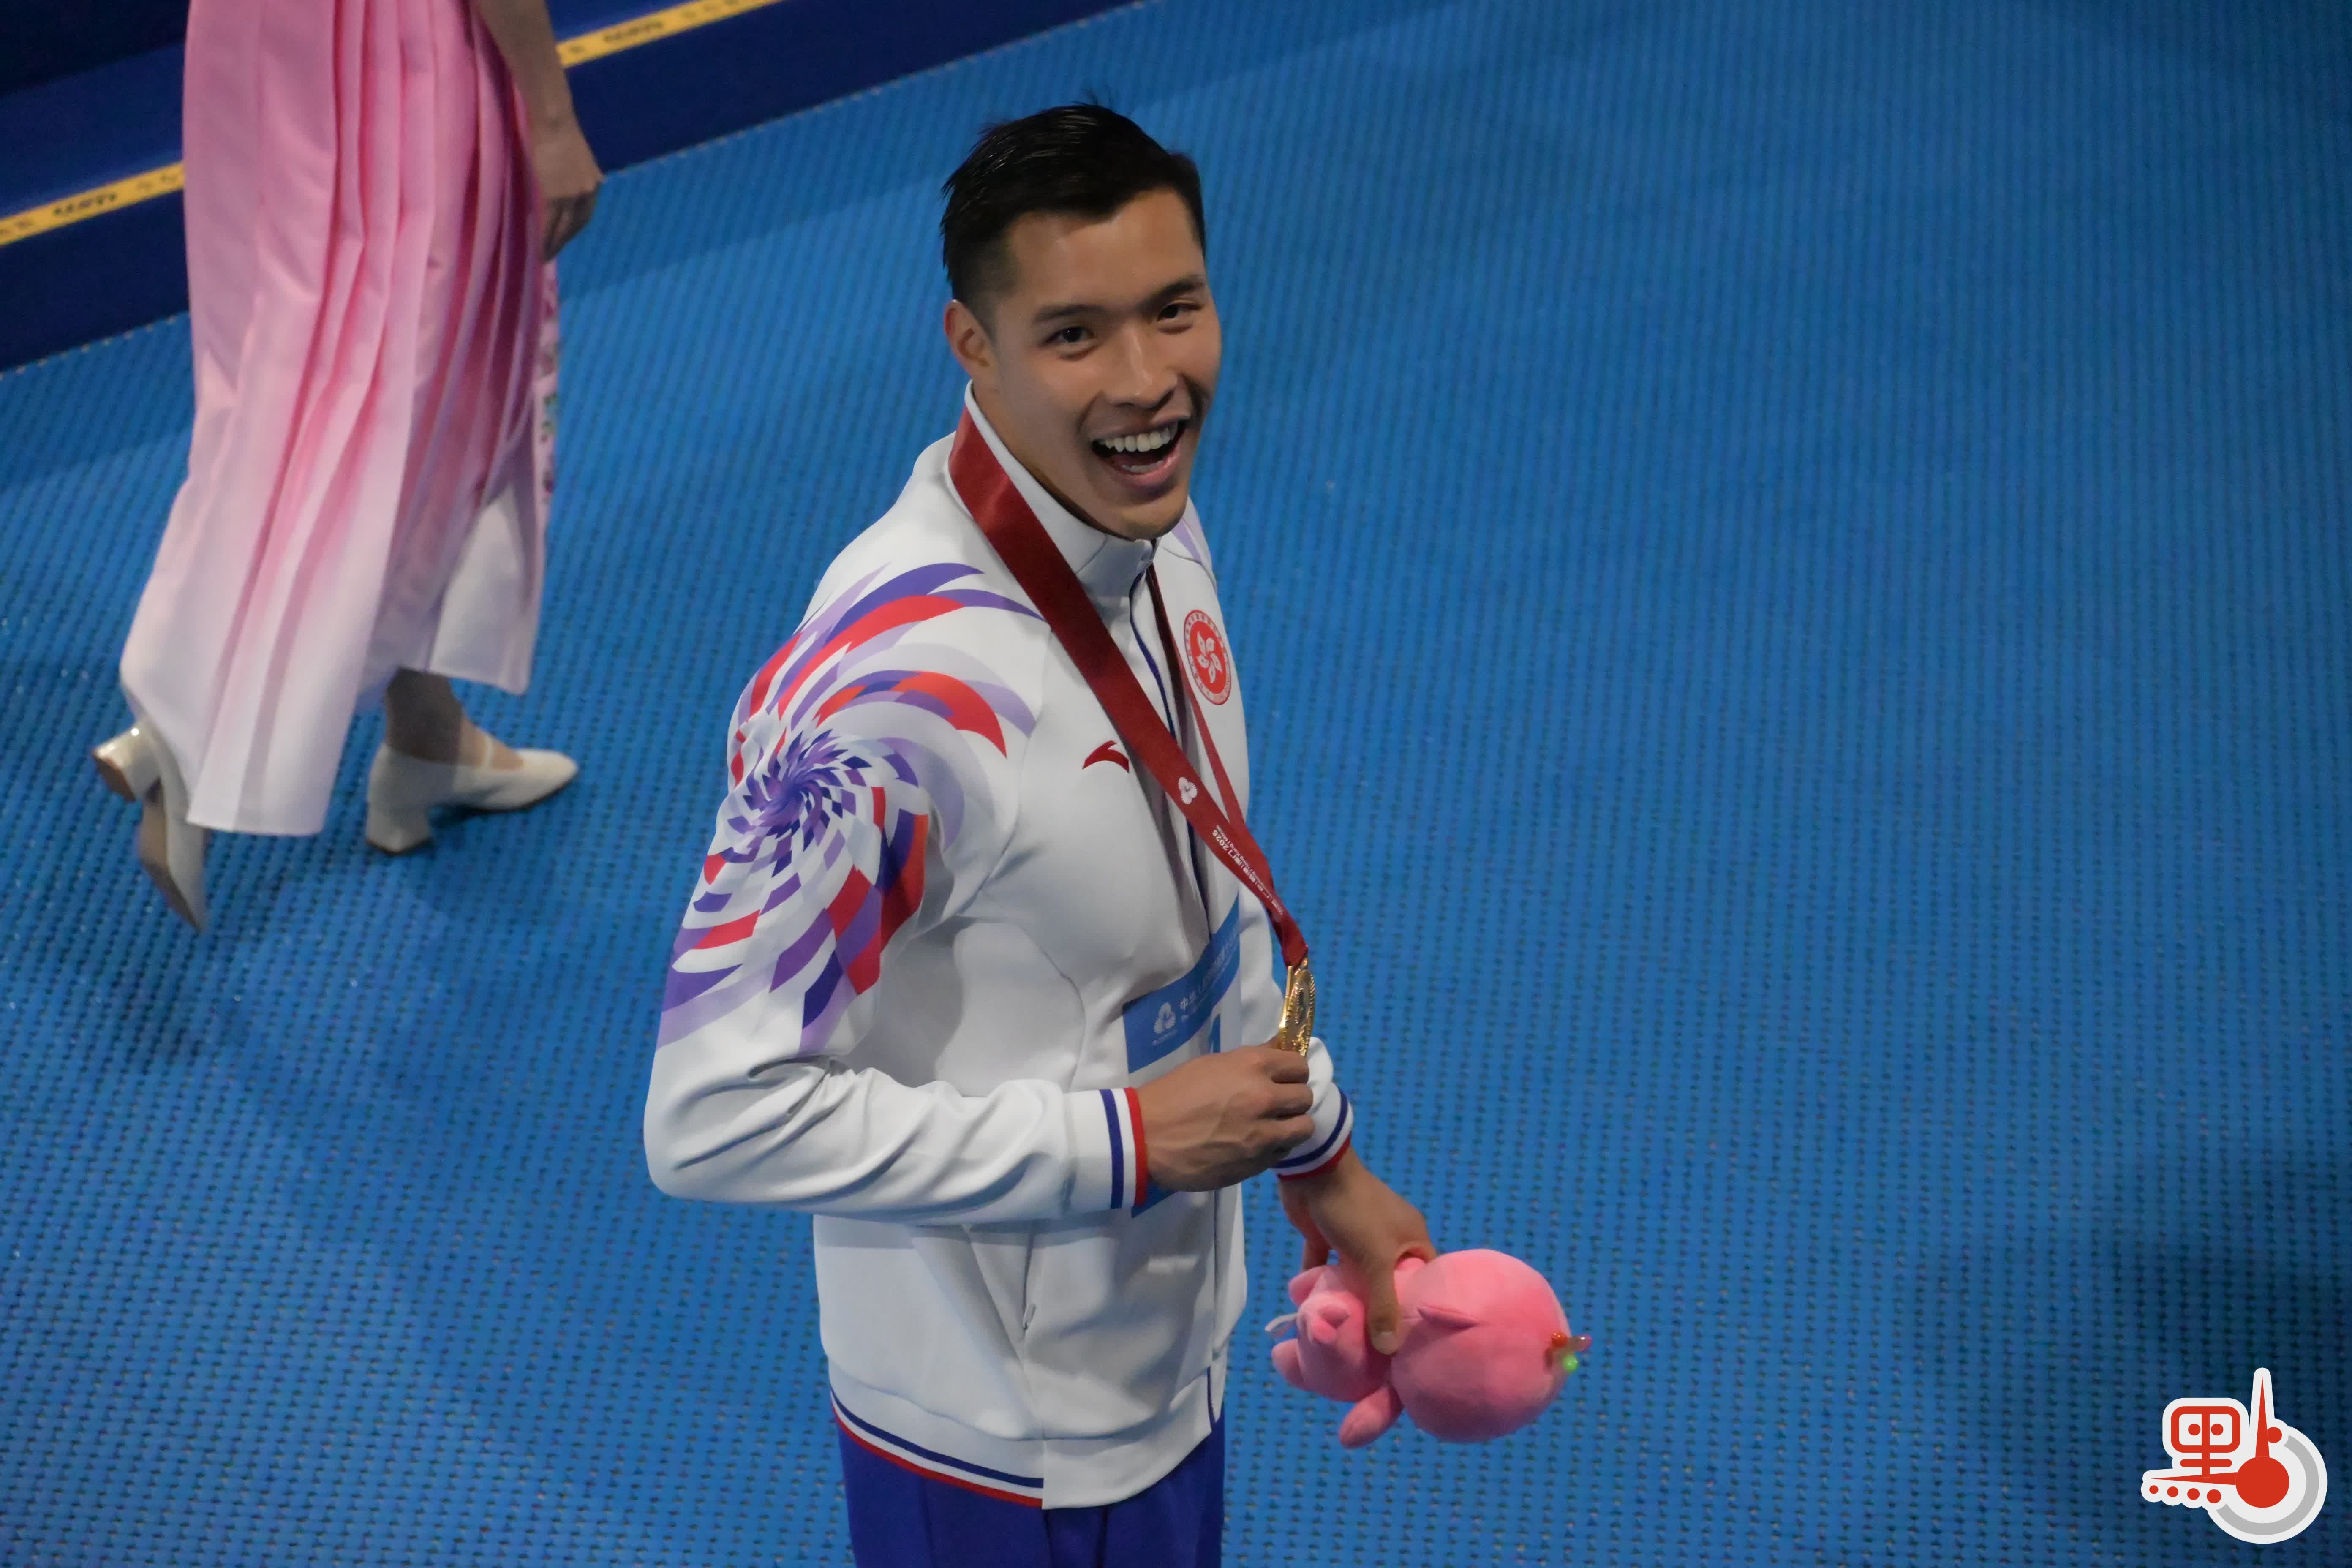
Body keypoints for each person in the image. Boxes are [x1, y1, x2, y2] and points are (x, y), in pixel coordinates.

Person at [643, 105, 1433, 1567]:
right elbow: (709, 1114)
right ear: (972, 344)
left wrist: (1314, 1148)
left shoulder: (1151, 529)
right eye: (1074, 334)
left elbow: (1197, 910)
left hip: (1162, 1358)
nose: (1146, 381)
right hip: (990, 1450)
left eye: (1174, 309)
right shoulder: (889, 702)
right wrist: (1124, 1142)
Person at [91, 0, 601, 930]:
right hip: (402, 46)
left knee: (285, 371)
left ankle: (427, 736)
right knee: (437, 392)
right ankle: (189, 711)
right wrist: (553, 113)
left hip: (259, 39)